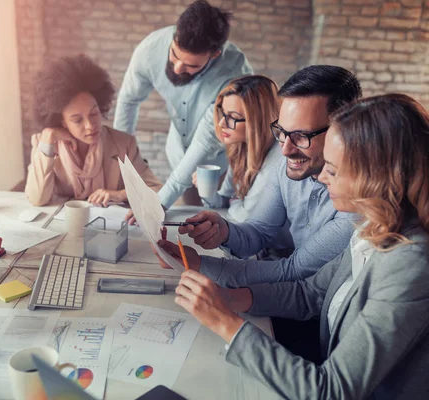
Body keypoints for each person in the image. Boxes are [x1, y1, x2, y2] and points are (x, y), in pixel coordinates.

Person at [171, 94, 429, 399]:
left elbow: (331, 390)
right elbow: (310, 293)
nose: (321, 177)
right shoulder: (372, 226)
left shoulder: (409, 263)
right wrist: (227, 298)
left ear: (374, 179)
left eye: (332, 170)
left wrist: (227, 323)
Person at [159, 65, 363, 362]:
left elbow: (293, 273)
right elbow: (258, 232)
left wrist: (201, 264)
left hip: (316, 330)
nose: (285, 150)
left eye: (302, 136)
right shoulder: (288, 164)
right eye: (282, 132)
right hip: (287, 302)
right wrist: (224, 231)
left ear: (343, 130)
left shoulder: (356, 207)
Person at [114, 0, 252, 208]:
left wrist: (158, 204)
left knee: (216, 216)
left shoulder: (236, 75)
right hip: (179, 153)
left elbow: (205, 142)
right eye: (174, 55)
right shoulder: (150, 49)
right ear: (174, 36)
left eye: (191, 65)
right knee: (189, 216)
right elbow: (128, 100)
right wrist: (121, 165)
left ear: (214, 55)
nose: (178, 68)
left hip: (220, 162)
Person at [25, 55, 162, 207]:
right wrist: (48, 139)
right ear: (61, 121)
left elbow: (156, 189)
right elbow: (37, 199)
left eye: (94, 113)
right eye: (77, 120)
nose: (90, 125)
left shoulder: (124, 144)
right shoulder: (45, 143)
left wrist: (119, 194)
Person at [193, 75, 283, 223]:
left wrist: (234, 202)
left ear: (258, 121)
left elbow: (247, 217)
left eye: (233, 117)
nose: (222, 123)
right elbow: (224, 200)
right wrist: (208, 192)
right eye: (223, 113)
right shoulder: (241, 148)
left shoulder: (278, 157)